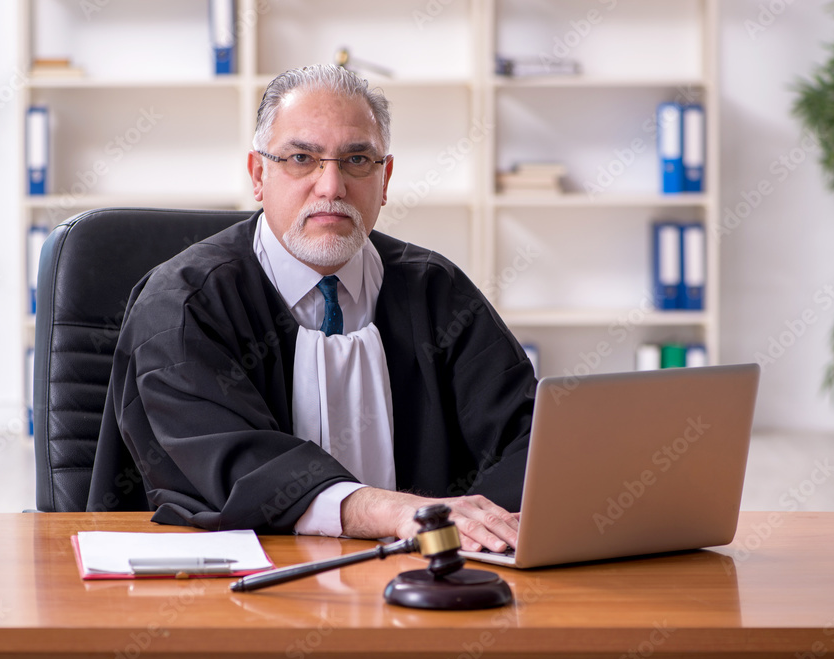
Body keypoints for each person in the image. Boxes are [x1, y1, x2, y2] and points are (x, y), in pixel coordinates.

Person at [89, 64, 537, 553]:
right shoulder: (182, 305)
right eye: (301, 157)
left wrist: (471, 530)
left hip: (419, 576)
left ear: (384, 180)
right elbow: (233, 464)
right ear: (259, 175)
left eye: (356, 159)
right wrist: (396, 512)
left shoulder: (436, 291)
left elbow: (532, 440)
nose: (332, 186)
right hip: (244, 586)